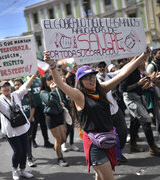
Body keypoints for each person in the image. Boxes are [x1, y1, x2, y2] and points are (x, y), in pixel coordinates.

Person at [43, 47, 151, 180]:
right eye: (87, 77)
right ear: (80, 81)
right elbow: (60, 84)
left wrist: (143, 56)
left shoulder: (102, 89)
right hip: (94, 143)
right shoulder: (79, 95)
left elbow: (123, 73)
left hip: (108, 139)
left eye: (93, 76)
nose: (91, 79)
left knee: (99, 177)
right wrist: (52, 66)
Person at [121, 57, 160, 155]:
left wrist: (150, 81)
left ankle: (133, 144)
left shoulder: (137, 71)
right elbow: (123, 89)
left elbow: (140, 87)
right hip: (131, 98)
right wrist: (138, 83)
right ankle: (152, 147)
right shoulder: (128, 71)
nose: (144, 63)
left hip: (138, 97)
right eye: (142, 61)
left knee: (136, 121)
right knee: (146, 120)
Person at [96, 61, 128, 163]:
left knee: (123, 133)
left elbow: (123, 71)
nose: (101, 68)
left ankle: (118, 153)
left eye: (103, 66)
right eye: (99, 67)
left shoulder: (110, 76)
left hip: (116, 110)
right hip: (104, 114)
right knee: (108, 138)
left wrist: (138, 56)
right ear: (96, 68)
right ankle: (112, 157)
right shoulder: (94, 80)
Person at [40, 73, 69, 167]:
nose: (52, 81)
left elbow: (62, 99)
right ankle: (60, 158)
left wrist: (63, 103)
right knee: (58, 138)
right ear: (45, 82)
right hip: (51, 117)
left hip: (59, 115)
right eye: (49, 80)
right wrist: (52, 91)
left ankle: (56, 147)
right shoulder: (43, 92)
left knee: (64, 138)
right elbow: (50, 102)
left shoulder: (57, 89)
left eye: (52, 79)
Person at [14, 78, 36, 167]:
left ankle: (29, 157)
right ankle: (27, 157)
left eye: (18, 84)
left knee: (28, 140)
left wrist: (30, 117)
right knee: (22, 141)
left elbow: (33, 107)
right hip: (19, 123)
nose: (17, 86)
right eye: (15, 85)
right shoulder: (13, 96)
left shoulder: (28, 94)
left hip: (29, 121)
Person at [30, 71, 54, 148]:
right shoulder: (28, 81)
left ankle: (46, 141)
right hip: (34, 107)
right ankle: (33, 140)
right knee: (35, 125)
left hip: (42, 106)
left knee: (44, 125)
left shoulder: (39, 80)